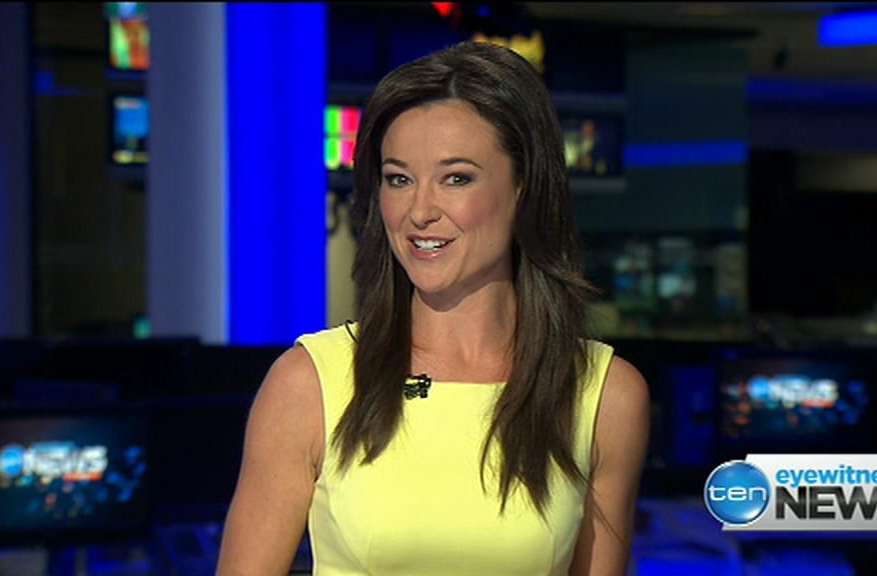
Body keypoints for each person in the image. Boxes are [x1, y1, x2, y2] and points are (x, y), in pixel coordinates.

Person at [217, 40, 649, 576]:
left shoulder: (605, 396)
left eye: (456, 178)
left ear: (523, 188)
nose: (419, 211)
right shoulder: (308, 386)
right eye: (399, 179)